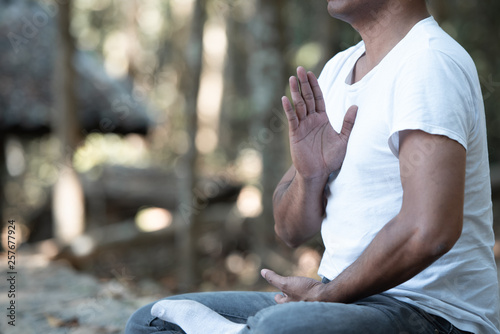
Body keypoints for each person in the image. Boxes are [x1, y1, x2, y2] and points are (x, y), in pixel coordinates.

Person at [125, 0, 500, 333]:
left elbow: (428, 230)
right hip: (343, 300)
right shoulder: (339, 69)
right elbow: (289, 230)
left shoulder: (429, 62)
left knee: (282, 327)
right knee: (154, 321)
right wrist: (311, 175)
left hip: (432, 315)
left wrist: (327, 295)